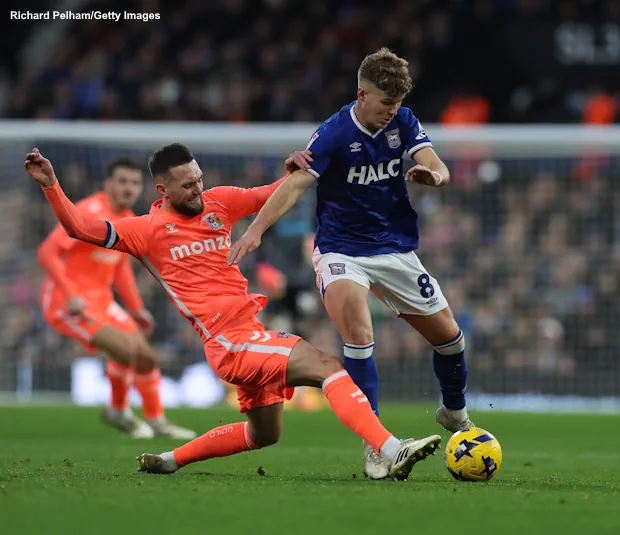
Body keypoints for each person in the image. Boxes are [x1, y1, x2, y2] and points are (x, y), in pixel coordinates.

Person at [25, 144, 441, 481]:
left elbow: (273, 193)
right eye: (188, 185)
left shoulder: (218, 202)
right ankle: (389, 449)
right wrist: (51, 186)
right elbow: (80, 227)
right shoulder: (145, 231)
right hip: (227, 342)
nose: (198, 189)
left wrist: (299, 167)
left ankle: (171, 459)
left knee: (264, 434)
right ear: (162, 189)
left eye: (199, 179)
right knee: (327, 365)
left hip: (249, 332)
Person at [228, 48, 473, 480]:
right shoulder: (334, 134)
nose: (391, 111)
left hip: (394, 250)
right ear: (362, 94)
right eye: (385, 102)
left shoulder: (404, 121)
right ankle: (376, 446)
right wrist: (255, 230)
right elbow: (294, 185)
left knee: (450, 339)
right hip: (340, 251)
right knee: (359, 334)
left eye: (397, 103)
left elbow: (437, 165)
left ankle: (454, 411)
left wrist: (435, 176)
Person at [37, 158, 196, 440]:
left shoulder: (128, 219)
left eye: (135, 183)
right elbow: (47, 252)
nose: (128, 188)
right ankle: (119, 411)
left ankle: (157, 420)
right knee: (124, 349)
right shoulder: (88, 211)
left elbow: (120, 266)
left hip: (101, 301)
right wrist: (71, 295)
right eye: (122, 181)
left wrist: (136, 309)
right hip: (67, 302)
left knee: (146, 357)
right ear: (107, 184)